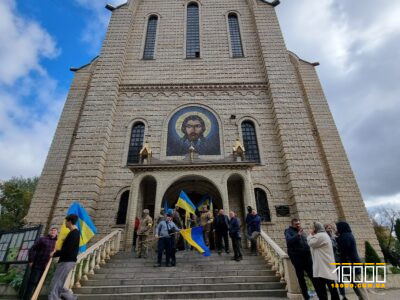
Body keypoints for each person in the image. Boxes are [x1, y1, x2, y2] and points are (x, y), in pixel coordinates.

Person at [48, 214, 80, 300]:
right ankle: (72, 298)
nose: (65, 223)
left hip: (67, 261)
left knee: (55, 283)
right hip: (66, 261)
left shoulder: (74, 233)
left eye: (66, 221)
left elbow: (67, 249)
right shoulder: (73, 233)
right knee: (59, 284)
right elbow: (67, 248)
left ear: (70, 221)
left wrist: (54, 254)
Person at [336, 221, 370, 300]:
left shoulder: (345, 236)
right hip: (354, 263)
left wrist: (338, 240)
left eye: (338, 227)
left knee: (360, 286)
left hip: (352, 264)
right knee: (359, 285)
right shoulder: (348, 235)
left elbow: (344, 249)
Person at [284, 218, 316, 300]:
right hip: (297, 257)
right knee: (301, 278)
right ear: (292, 224)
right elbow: (289, 241)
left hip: (306, 257)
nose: (298, 225)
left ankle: (318, 293)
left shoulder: (302, 232)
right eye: (296, 224)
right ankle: (306, 296)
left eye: (298, 223)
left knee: (312, 276)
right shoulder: (288, 231)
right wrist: (298, 235)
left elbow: (306, 242)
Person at [307, 222, 340, 300]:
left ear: (316, 228)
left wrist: (310, 235)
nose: (311, 229)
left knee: (322, 288)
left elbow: (311, 243)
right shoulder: (322, 235)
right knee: (329, 286)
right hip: (323, 265)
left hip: (323, 266)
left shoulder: (320, 236)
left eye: (312, 228)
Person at [23, 227, 58, 300]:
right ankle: (27, 298)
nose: (53, 231)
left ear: (57, 233)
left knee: (39, 284)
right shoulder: (43, 239)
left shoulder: (57, 243)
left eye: (54, 231)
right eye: (51, 230)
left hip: (47, 267)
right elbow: (32, 249)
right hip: (38, 264)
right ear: (49, 231)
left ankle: (35, 297)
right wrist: (31, 260)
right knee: (32, 282)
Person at [325, 224, 348, 300]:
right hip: (331, 261)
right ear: (325, 229)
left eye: (331, 228)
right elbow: (333, 246)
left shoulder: (334, 237)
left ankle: (343, 295)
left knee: (340, 279)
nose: (330, 229)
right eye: (328, 228)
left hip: (338, 260)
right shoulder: (326, 238)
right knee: (332, 279)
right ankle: (335, 295)